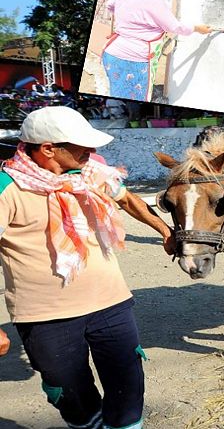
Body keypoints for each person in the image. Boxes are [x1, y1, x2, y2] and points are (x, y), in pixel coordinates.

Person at [0, 106, 175, 429]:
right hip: (45, 316)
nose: (92, 151)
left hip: (111, 303)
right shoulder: (7, 188)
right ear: (48, 149)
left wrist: (164, 230)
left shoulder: (92, 173)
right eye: (81, 145)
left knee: (128, 383)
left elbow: (126, 199)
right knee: (69, 392)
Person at [102, 0, 212, 101]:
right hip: (134, 60)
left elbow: (109, 5)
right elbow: (174, 26)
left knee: (118, 92)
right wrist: (198, 28)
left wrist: (125, 25)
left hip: (111, 53)